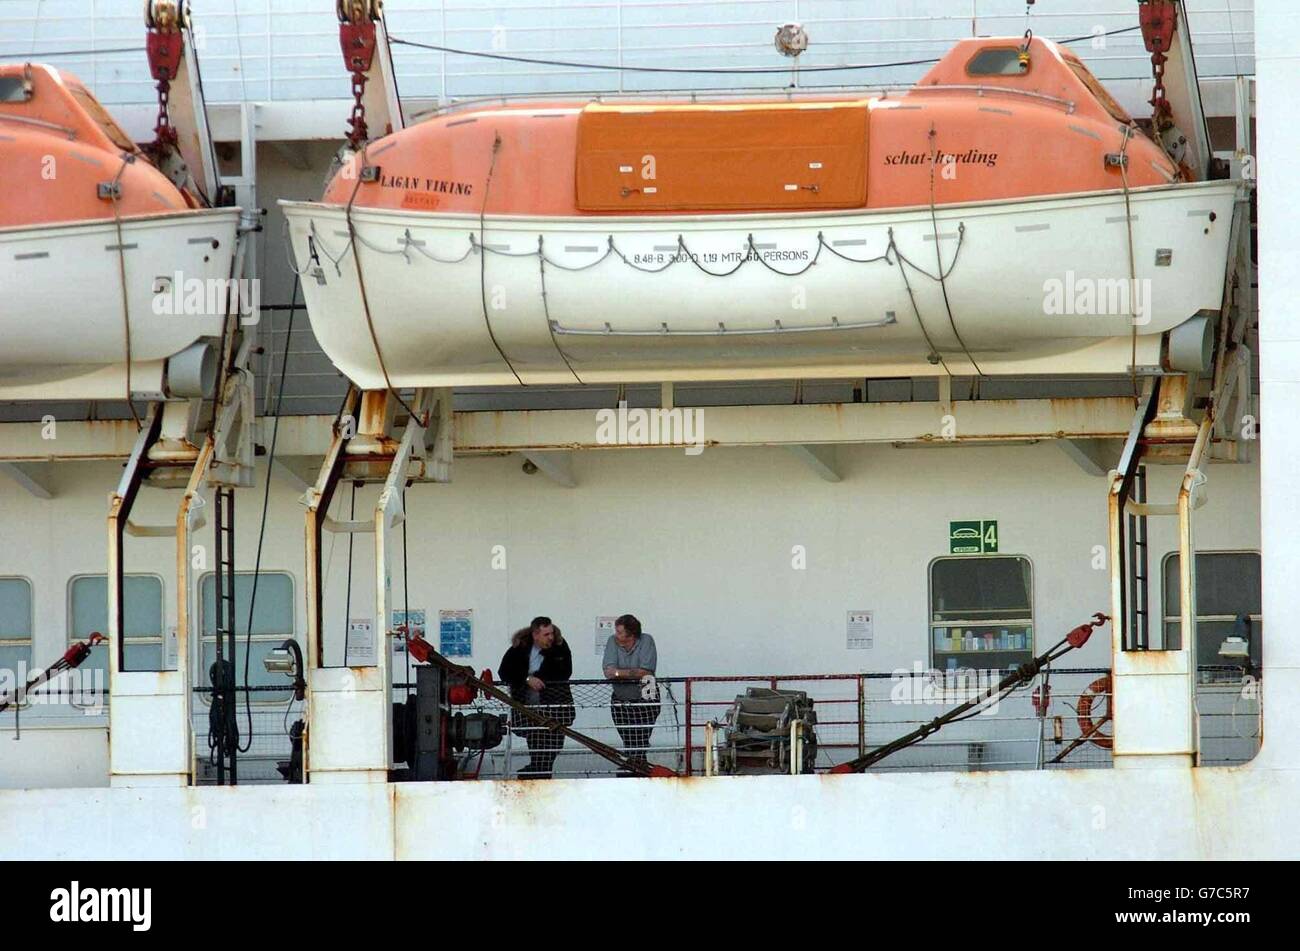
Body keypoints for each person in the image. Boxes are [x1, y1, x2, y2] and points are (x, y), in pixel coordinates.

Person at [497, 617, 574, 779]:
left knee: (555, 742)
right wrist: (526, 679)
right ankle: (540, 772)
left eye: (551, 633)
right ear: (535, 635)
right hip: (528, 705)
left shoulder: (559, 647)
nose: (551, 637)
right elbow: (504, 671)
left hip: (555, 704)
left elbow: (565, 671)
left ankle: (537, 770)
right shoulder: (520, 648)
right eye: (546, 634)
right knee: (537, 739)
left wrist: (540, 676)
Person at [602, 614, 659, 775]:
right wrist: (631, 673)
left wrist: (619, 673)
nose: (616, 635)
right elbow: (608, 671)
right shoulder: (612, 642)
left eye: (620, 632)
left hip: (647, 693)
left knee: (642, 734)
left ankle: (637, 765)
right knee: (627, 734)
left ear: (631, 634)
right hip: (621, 695)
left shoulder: (647, 641)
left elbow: (646, 671)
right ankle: (634, 765)